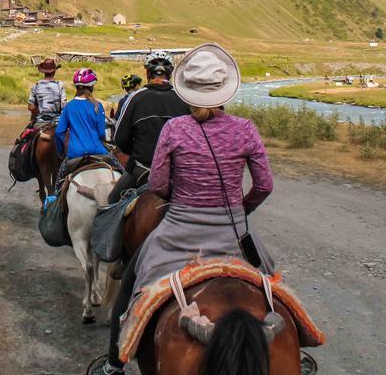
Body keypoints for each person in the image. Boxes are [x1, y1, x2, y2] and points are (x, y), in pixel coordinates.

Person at [102, 43, 274, 375]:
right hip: (234, 230)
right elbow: (264, 186)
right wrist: (240, 210)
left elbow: (158, 186)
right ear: (225, 91)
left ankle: (113, 364)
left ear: (188, 93)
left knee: (129, 285)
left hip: (178, 229)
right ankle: (300, 349)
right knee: (269, 281)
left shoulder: (175, 130)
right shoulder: (246, 130)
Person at [107, 52, 188, 203]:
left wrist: (135, 152)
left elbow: (119, 138)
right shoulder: (183, 99)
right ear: (170, 74)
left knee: (111, 201)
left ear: (147, 72)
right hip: (177, 171)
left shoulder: (135, 98)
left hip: (142, 169)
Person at [54, 68, 112, 181]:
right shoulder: (97, 106)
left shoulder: (68, 107)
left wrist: (61, 151)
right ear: (92, 87)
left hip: (75, 152)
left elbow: (59, 132)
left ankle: (55, 197)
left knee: (59, 179)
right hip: (97, 150)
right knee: (119, 168)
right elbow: (101, 133)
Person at [27, 58, 66, 128]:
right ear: (54, 71)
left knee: (25, 137)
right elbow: (64, 106)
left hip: (40, 122)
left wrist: (38, 112)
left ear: (43, 72)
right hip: (57, 123)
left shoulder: (36, 85)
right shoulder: (60, 85)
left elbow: (31, 107)